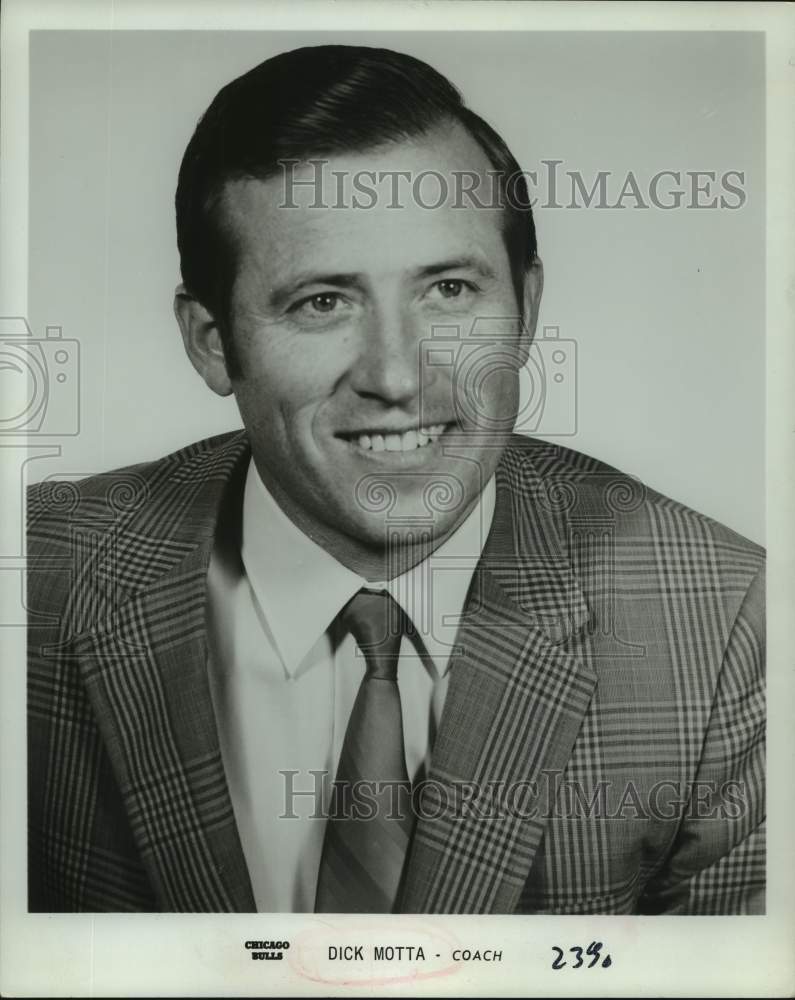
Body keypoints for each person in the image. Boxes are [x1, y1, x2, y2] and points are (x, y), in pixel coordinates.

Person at [26, 44, 765, 914]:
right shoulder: (36, 576)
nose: (398, 376)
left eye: (448, 290)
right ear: (211, 341)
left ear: (524, 311)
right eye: (322, 302)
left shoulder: (724, 620)